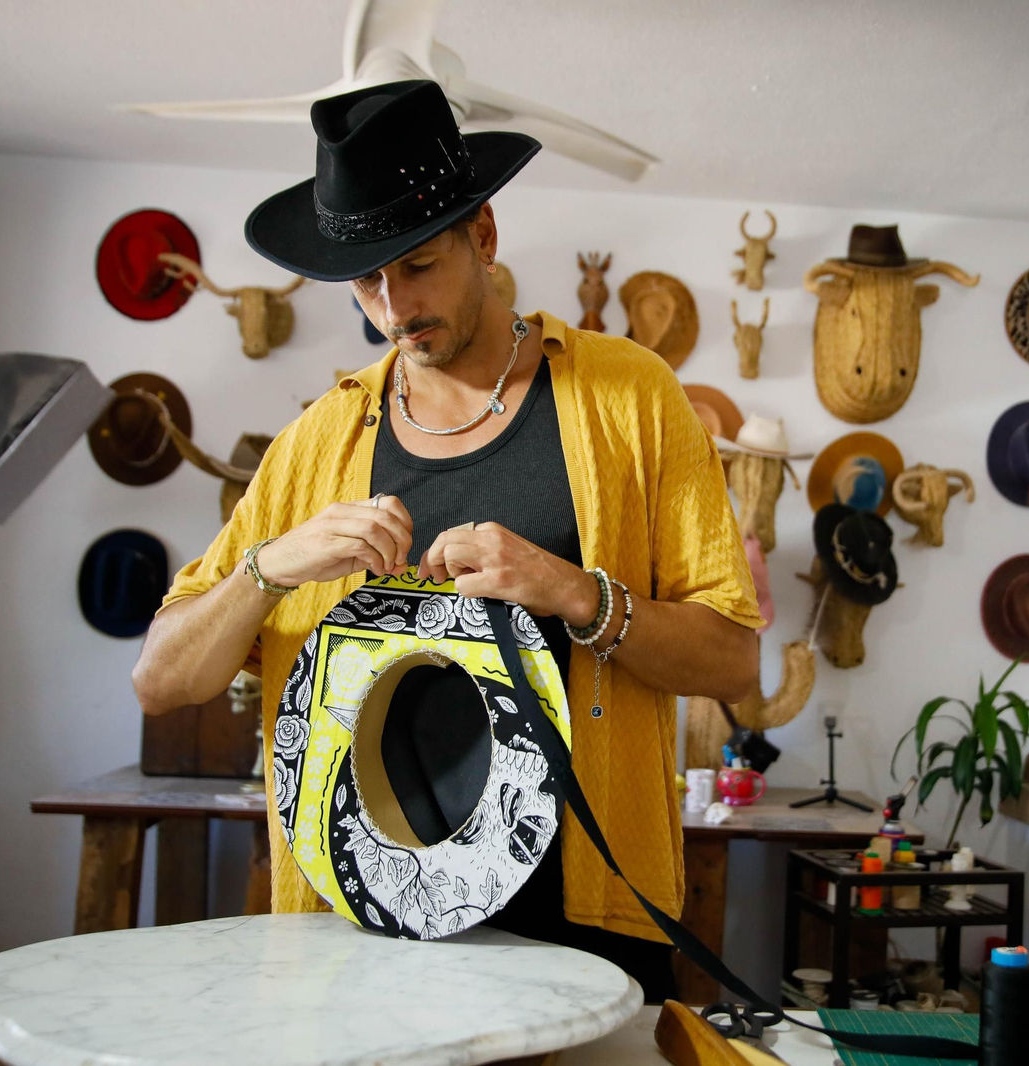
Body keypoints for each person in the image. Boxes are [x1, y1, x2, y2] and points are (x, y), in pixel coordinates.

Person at [131, 80, 762, 1002]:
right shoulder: (320, 440)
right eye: (367, 281)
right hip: (354, 940)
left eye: (420, 265)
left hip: (582, 929)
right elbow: (160, 679)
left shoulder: (630, 398)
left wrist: (575, 593)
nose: (393, 308)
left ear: (486, 236)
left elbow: (734, 660)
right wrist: (270, 570)